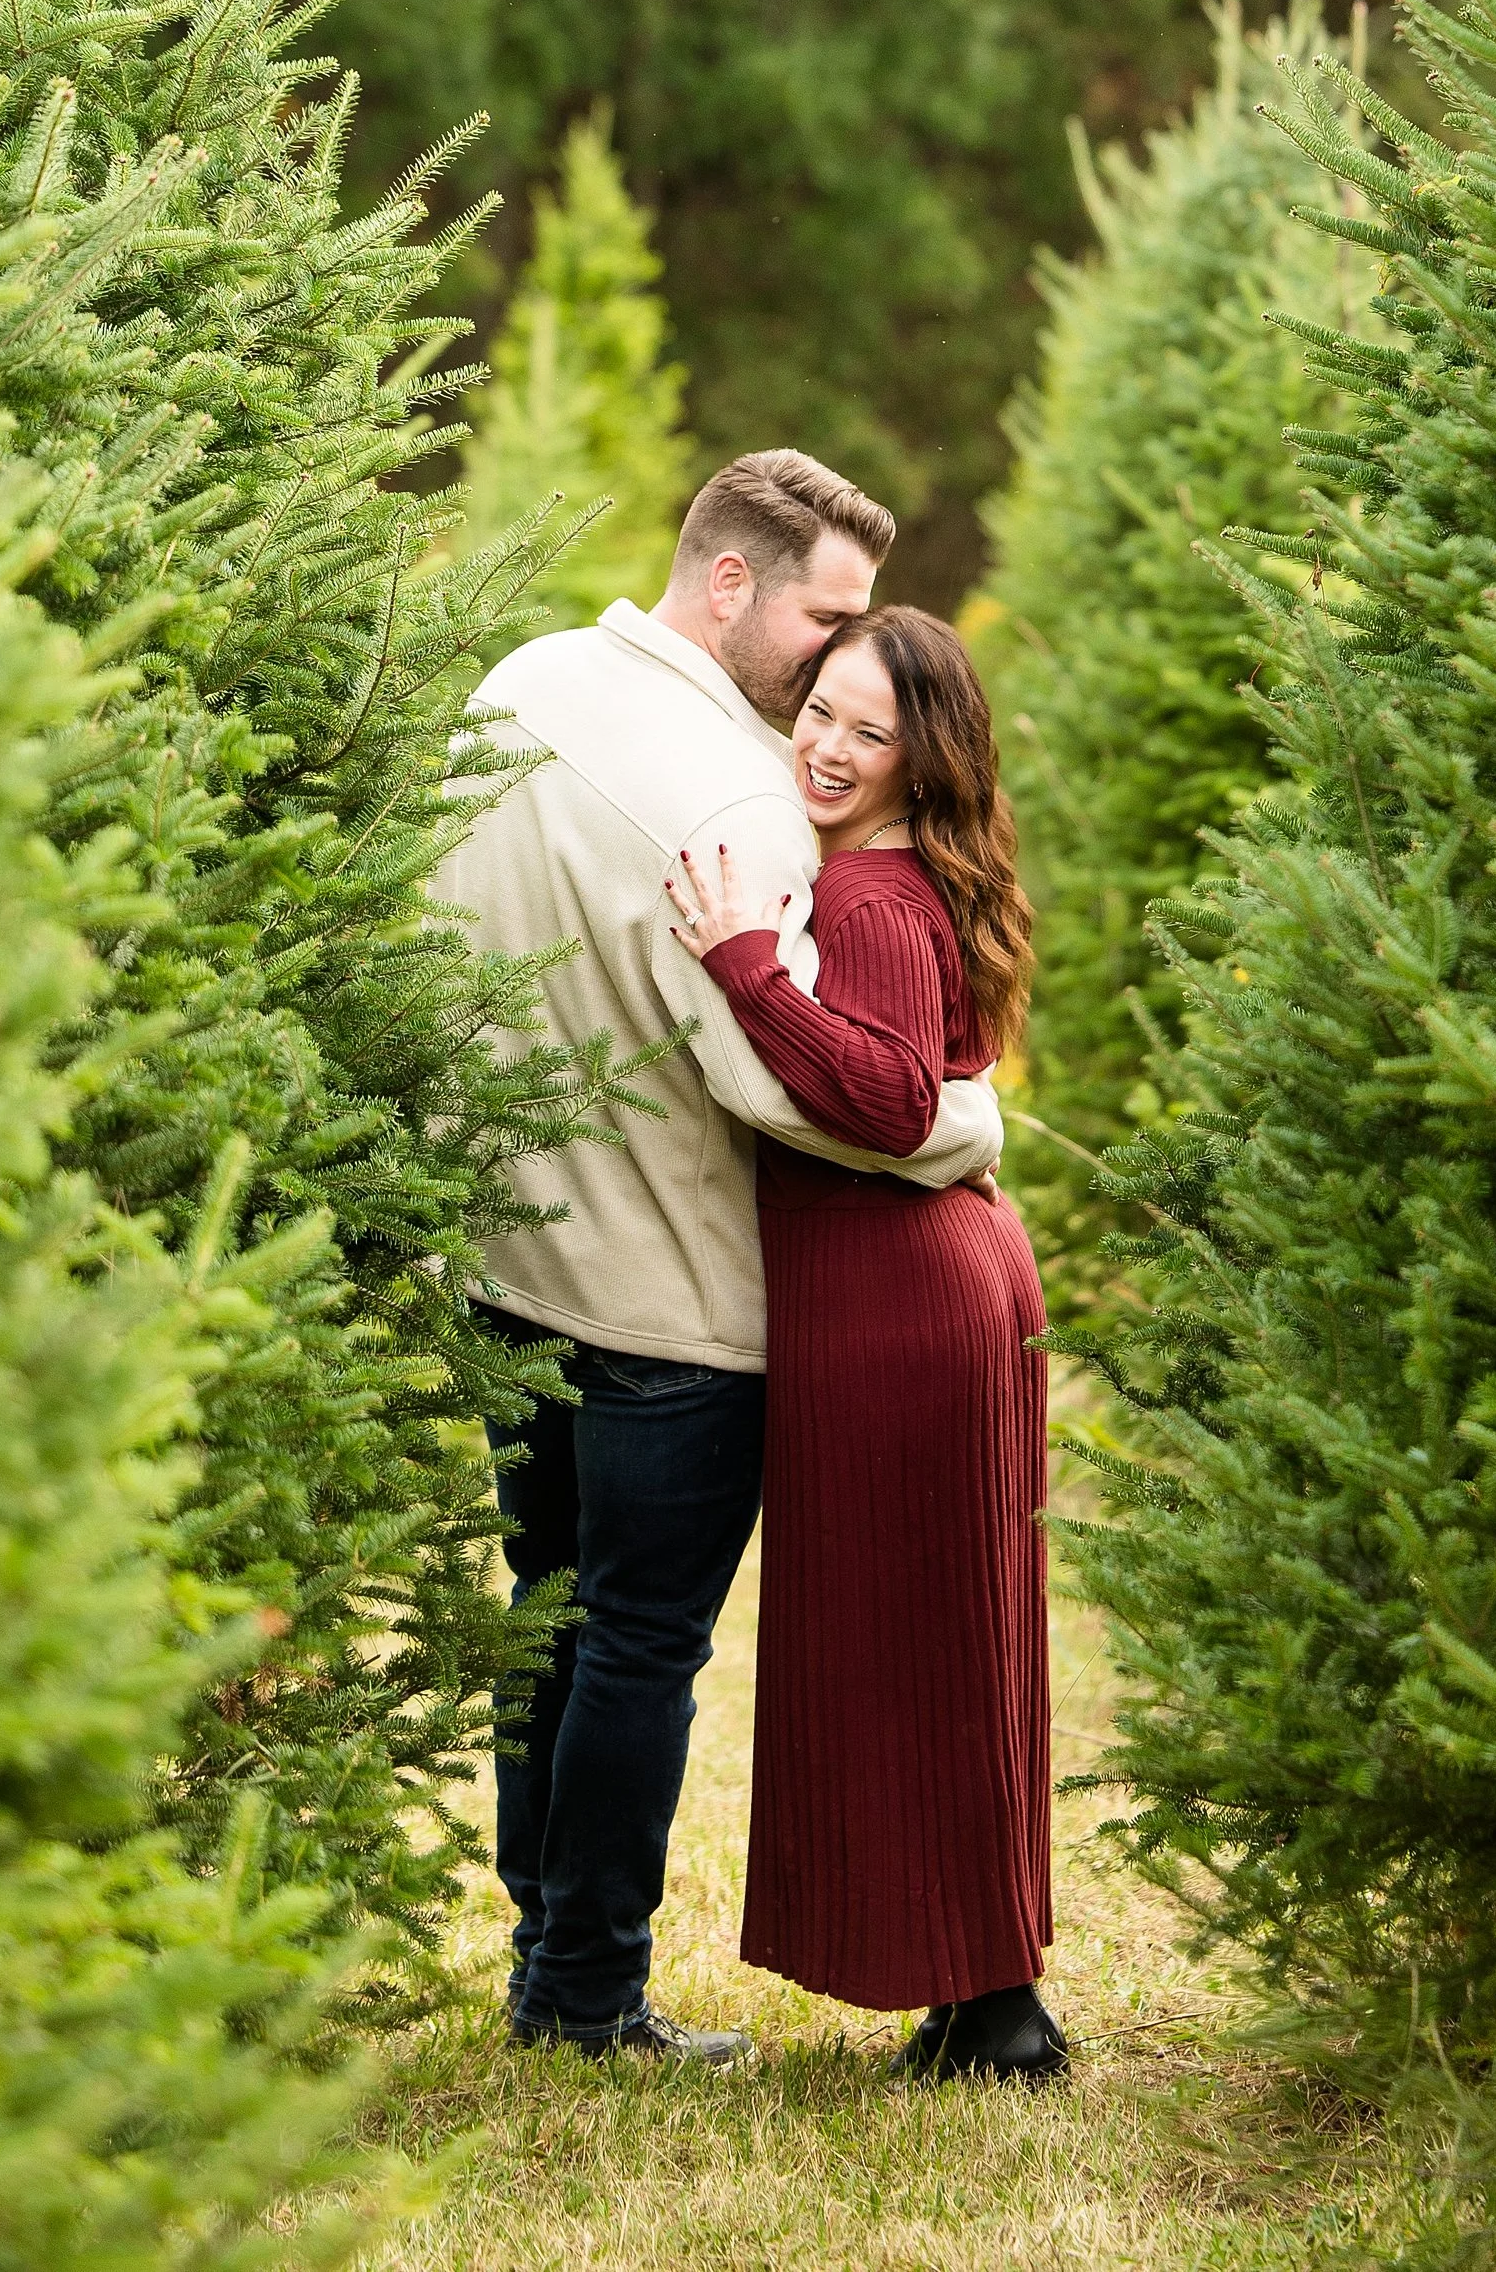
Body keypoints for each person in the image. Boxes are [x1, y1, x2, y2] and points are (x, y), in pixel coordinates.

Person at [436, 452, 1005, 2063]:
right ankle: (585, 1994)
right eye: (831, 613)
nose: (845, 650)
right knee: (636, 1640)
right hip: (672, 1300)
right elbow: (802, 1092)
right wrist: (968, 1124)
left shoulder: (525, 677)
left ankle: (542, 1940)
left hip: (507, 1250)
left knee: (543, 1606)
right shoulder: (740, 794)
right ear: (737, 580)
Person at [666, 603, 1061, 2084]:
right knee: (952, 1639)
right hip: (925, 1285)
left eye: (867, 730)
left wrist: (746, 968)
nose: (826, 746)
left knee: (931, 1645)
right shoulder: (894, 876)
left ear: (923, 758)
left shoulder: (879, 901)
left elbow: (893, 1101)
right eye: (818, 710)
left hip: (906, 1300)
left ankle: (1000, 2006)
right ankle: (984, 1991)